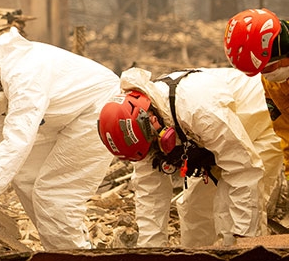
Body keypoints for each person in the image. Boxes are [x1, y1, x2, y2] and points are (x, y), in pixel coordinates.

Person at [0, 28, 119, 250]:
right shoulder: (0, 86)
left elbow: (18, 139)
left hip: (99, 109)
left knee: (54, 193)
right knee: (25, 175)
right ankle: (58, 251)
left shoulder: (24, 78)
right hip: (68, 117)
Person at [98, 67, 281, 248]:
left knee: (229, 221)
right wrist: (151, 256)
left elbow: (243, 170)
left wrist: (244, 244)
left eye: (154, 141)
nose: (156, 146)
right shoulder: (143, 136)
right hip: (213, 145)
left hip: (260, 125)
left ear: (150, 116)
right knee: (195, 215)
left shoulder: (198, 110)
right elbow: (150, 196)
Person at [224, 8, 289, 178]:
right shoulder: (272, 83)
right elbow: (285, 131)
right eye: (259, 71)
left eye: (268, 67)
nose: (266, 75)